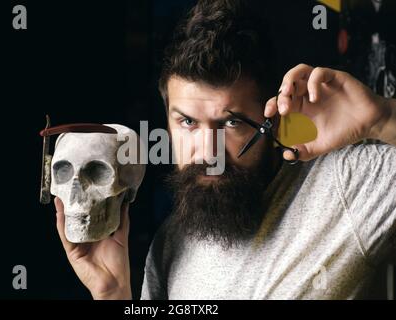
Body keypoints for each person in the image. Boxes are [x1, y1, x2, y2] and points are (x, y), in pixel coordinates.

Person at [54, 0, 396, 299]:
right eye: (187, 122)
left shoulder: (342, 185)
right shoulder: (168, 245)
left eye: (231, 123)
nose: (208, 153)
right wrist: (112, 293)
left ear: (271, 119)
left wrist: (381, 118)